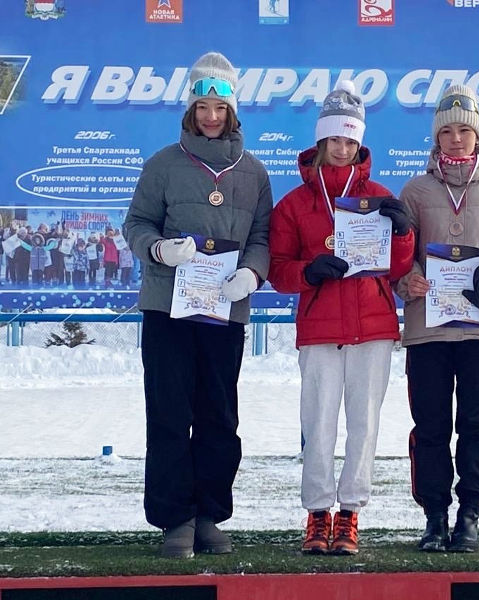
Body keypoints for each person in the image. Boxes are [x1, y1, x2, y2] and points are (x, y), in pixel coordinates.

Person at [124, 51, 272, 559]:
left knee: (219, 415)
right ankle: (176, 520)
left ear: (233, 111)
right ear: (191, 109)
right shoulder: (163, 164)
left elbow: (262, 236)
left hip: (223, 314)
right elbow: (136, 223)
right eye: (203, 107)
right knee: (169, 412)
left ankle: (209, 515)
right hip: (167, 311)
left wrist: (252, 273)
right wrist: (158, 250)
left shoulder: (253, 173)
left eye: (220, 108)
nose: (211, 116)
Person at [268, 81, 414, 555]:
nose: (342, 148)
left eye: (350, 140)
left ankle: (350, 511)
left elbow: (396, 268)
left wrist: (403, 233)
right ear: (320, 141)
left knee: (364, 424)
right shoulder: (294, 204)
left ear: (359, 143)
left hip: (372, 327)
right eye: (334, 139)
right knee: (318, 423)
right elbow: (277, 270)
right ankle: (317, 512)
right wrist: (308, 272)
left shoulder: (380, 197)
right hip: (320, 328)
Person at [394, 84, 479, 553]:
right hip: (428, 330)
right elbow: (398, 256)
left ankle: (470, 514)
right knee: (430, 426)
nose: (456, 139)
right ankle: (434, 516)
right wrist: (407, 281)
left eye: (464, 131)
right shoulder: (415, 191)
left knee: (476, 424)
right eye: (447, 132)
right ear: (436, 138)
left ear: (478, 136)